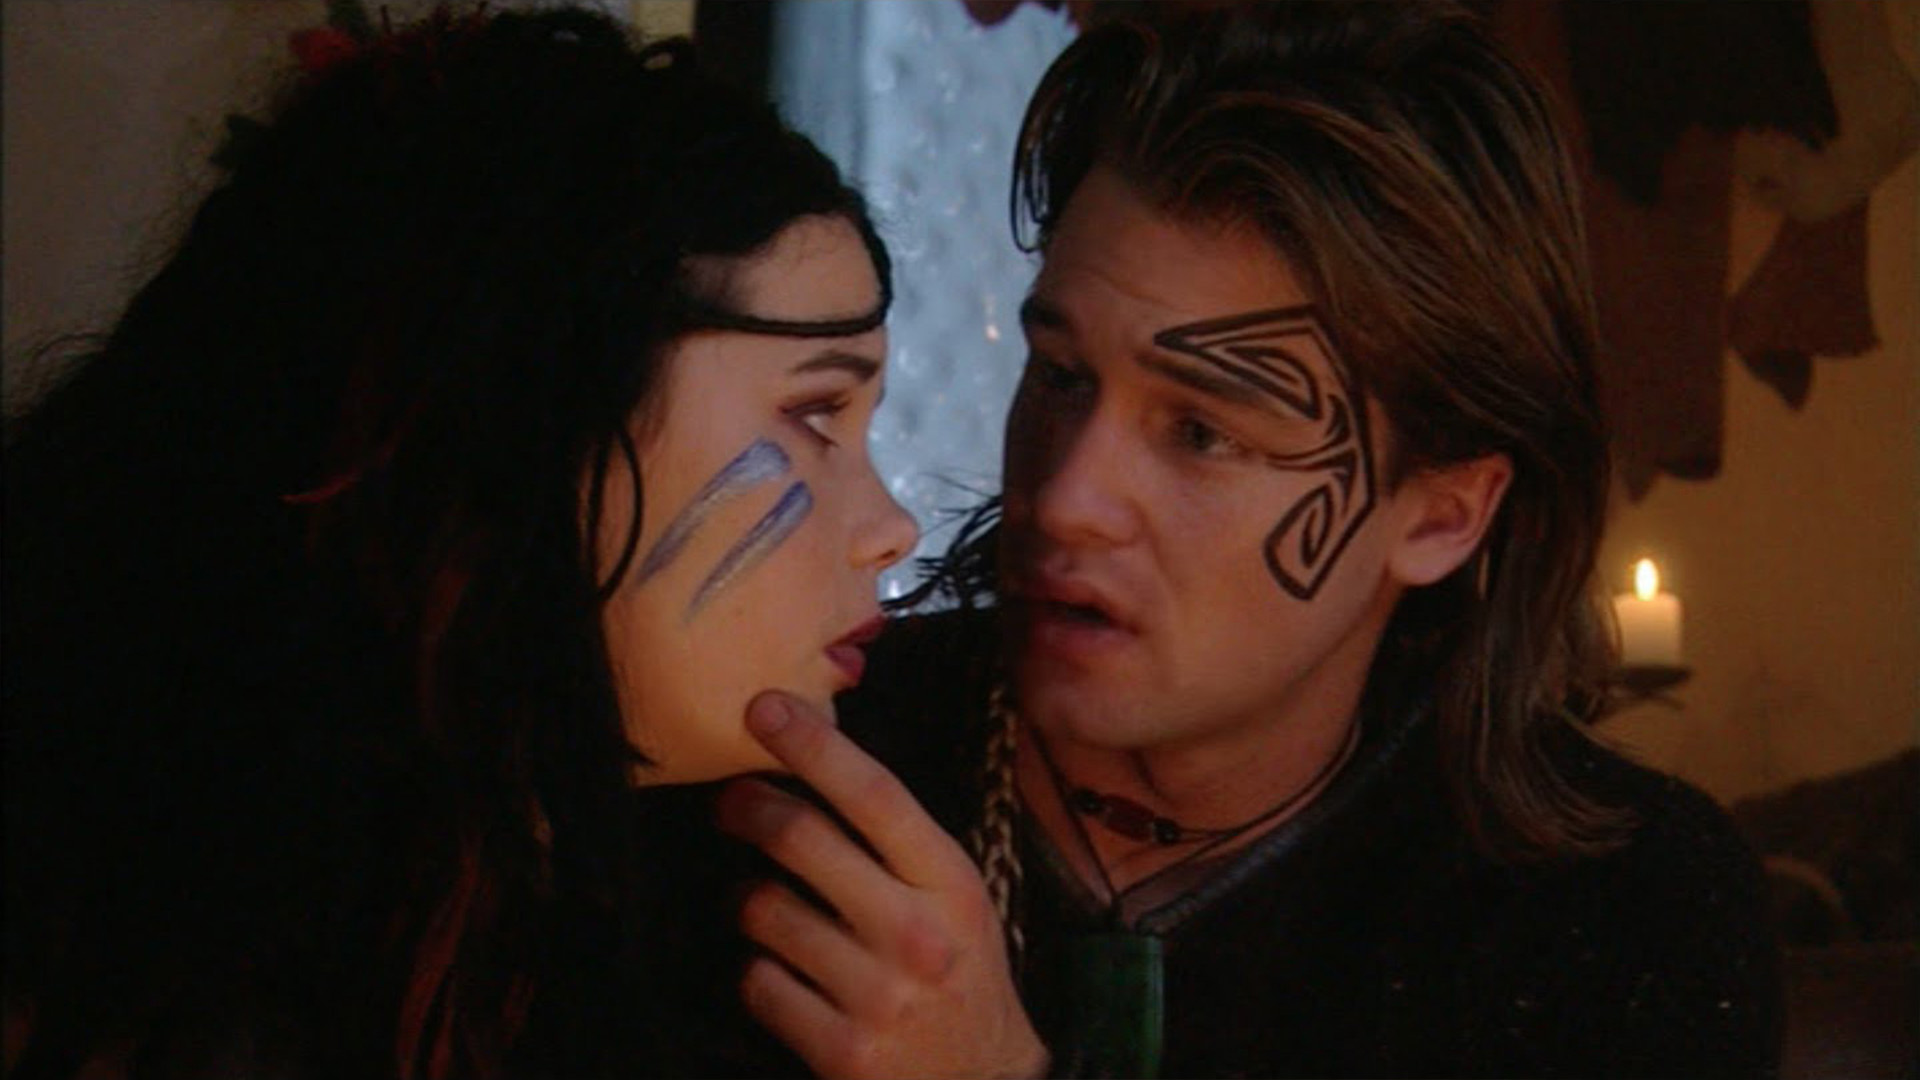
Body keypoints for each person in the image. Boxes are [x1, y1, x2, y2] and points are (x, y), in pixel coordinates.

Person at [715, 4, 1782, 1077]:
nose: (1069, 496)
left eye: (1202, 432)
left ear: (1442, 514)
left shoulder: (1618, 915)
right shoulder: (798, 776)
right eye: (1063, 377)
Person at [2, 6, 918, 1077]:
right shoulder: (103, 974)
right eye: (816, 416)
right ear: (528, 421)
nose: (890, 530)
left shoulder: (661, 925)